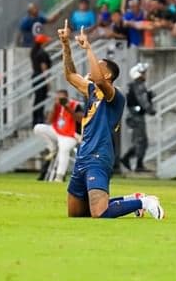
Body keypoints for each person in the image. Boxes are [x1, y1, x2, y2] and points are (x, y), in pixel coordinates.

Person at [57, 19, 165, 219]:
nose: (92, 68)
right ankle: (132, 199)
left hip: (99, 157)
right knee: (77, 214)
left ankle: (145, 202)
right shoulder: (91, 91)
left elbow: (97, 79)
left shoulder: (115, 95)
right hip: (83, 156)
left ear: (107, 76)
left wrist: (88, 48)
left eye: (98, 66)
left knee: (99, 213)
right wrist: (65, 45)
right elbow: (70, 75)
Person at [33, 89, 83, 182]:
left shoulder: (75, 105)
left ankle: (60, 175)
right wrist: (54, 107)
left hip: (70, 134)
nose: (59, 99)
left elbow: (80, 119)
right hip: (57, 131)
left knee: (64, 149)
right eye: (57, 97)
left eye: (61, 97)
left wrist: (68, 108)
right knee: (38, 128)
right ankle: (52, 148)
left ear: (67, 97)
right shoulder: (57, 106)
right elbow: (49, 121)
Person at [120, 63, 156, 172]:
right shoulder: (138, 85)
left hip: (135, 116)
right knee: (141, 141)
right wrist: (150, 110)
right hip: (136, 117)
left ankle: (136, 163)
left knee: (141, 141)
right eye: (143, 73)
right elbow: (143, 101)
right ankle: (131, 161)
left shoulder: (135, 85)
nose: (145, 75)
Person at [31, 33, 52, 126]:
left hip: (35, 76)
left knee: (37, 98)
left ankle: (36, 119)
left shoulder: (34, 52)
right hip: (41, 77)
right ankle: (39, 119)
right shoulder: (42, 53)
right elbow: (44, 67)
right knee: (40, 99)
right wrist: (47, 81)